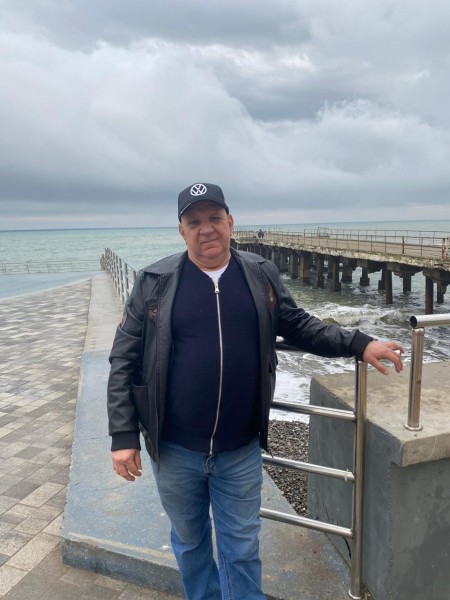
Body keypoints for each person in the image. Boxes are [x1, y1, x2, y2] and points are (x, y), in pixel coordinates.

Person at [107, 182, 404, 600]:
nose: (206, 229)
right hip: (174, 448)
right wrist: (123, 436)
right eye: (194, 221)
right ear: (181, 230)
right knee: (190, 542)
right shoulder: (155, 282)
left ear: (230, 222)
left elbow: (298, 324)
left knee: (242, 549)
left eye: (214, 218)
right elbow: (124, 358)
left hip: (240, 449)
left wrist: (358, 343)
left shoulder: (260, 273)